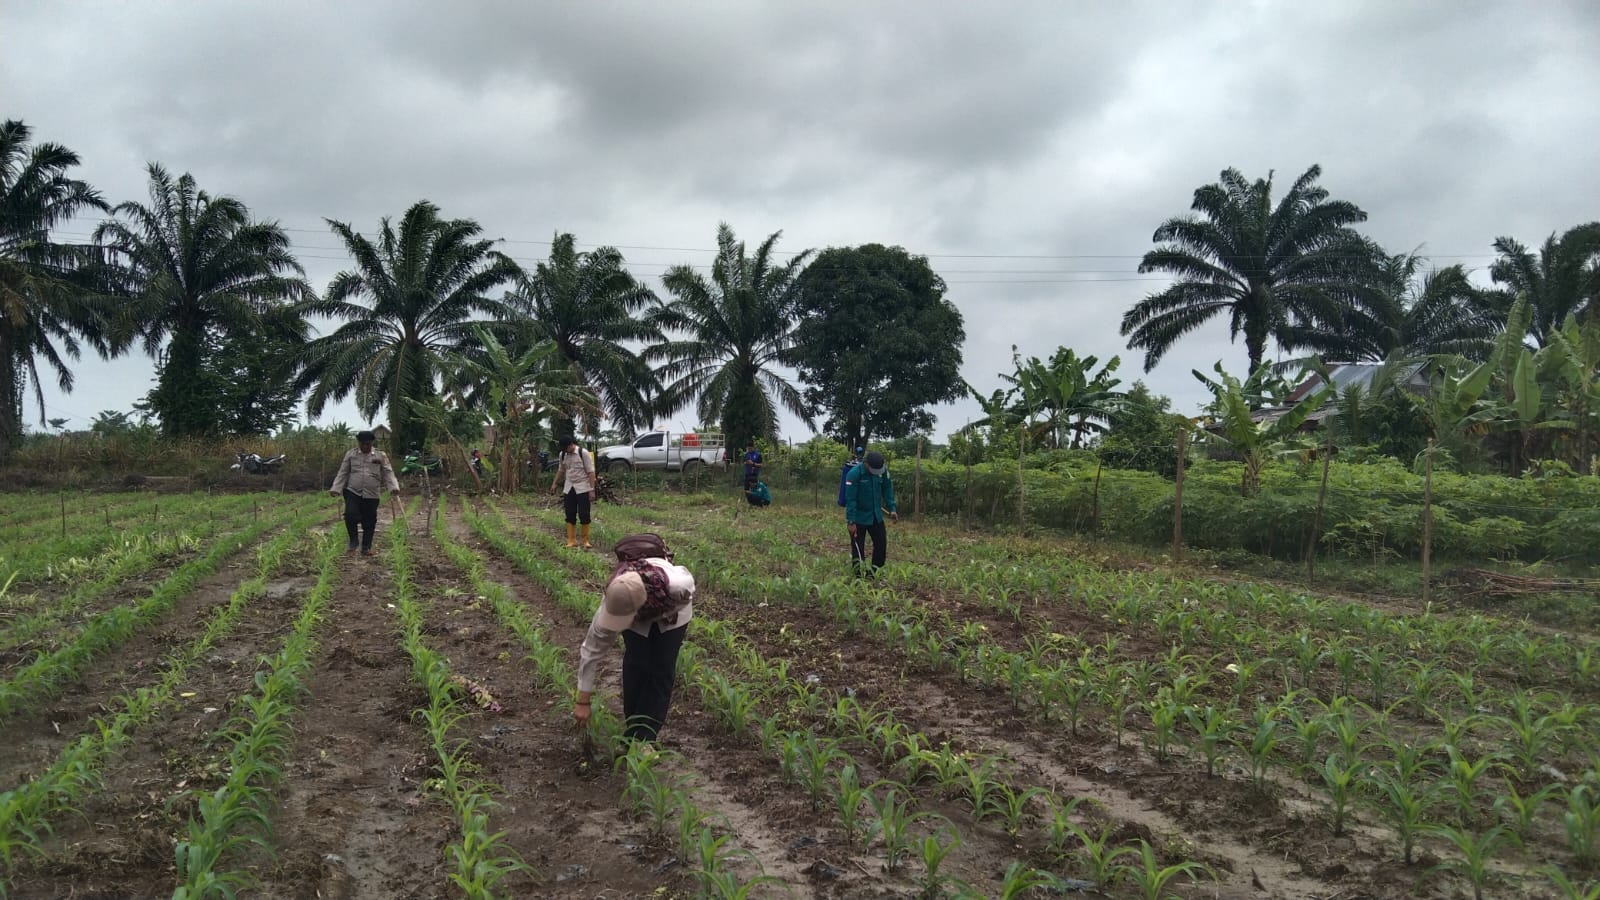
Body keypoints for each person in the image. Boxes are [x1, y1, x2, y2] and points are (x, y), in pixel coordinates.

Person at [573, 533, 694, 743]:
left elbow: (683, 603)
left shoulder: (680, 584)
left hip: (673, 612)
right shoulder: (615, 599)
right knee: (637, 663)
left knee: (661, 669)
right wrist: (583, 701)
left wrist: (660, 615)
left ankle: (646, 738)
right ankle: (633, 730)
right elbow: (591, 650)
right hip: (638, 611)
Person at [329, 430, 400, 556]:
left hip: (372, 493)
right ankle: (353, 541)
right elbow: (343, 472)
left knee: (370, 520)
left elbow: (388, 472)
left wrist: (393, 487)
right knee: (350, 515)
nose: (365, 446)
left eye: (367, 444)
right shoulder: (351, 454)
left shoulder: (380, 455)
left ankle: (366, 547)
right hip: (353, 491)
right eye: (362, 444)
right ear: (358, 443)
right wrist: (336, 488)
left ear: (371, 443)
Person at [843, 449, 898, 575]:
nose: (876, 472)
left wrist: (892, 508)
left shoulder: (882, 471)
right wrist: (851, 521)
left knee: (881, 544)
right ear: (866, 463)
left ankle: (874, 573)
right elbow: (851, 499)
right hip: (858, 517)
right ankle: (857, 576)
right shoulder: (854, 474)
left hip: (875, 516)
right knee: (858, 548)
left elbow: (887, 489)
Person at [550, 435, 597, 548]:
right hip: (569, 487)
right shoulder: (562, 455)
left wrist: (592, 490)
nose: (565, 451)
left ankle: (585, 540)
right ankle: (571, 540)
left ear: (571, 445)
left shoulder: (583, 453)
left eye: (566, 448)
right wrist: (554, 483)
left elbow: (591, 472)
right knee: (569, 513)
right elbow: (561, 470)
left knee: (584, 514)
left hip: (583, 487)